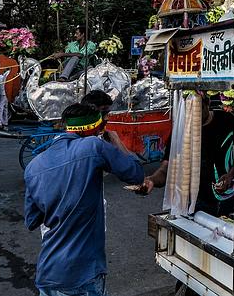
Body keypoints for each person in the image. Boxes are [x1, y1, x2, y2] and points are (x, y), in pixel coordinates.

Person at [24, 103, 151, 296]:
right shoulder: (94, 146)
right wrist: (115, 141)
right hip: (81, 273)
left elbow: (32, 220)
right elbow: (135, 174)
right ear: (94, 129)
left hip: (48, 272)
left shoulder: (33, 166)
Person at [147, 96, 234, 217]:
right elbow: (166, 169)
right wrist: (152, 180)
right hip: (195, 202)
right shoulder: (181, 132)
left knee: (227, 231)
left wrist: (231, 175)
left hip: (226, 198)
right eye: (189, 111)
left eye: (198, 109)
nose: (194, 115)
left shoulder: (227, 120)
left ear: (208, 103)